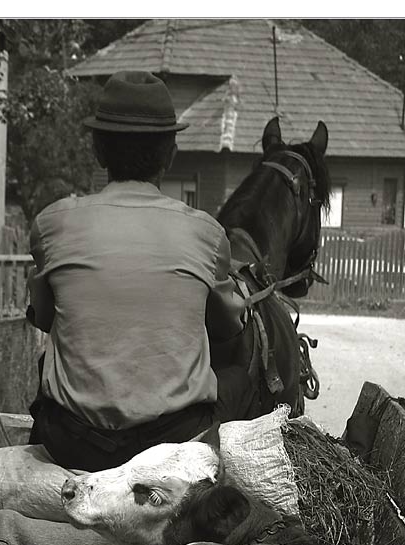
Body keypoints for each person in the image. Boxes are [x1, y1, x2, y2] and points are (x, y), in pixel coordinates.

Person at [26, 70, 258, 472]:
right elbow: (228, 328)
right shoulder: (206, 233)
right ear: (170, 154)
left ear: (98, 151)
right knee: (243, 372)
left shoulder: (53, 225)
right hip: (173, 443)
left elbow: (45, 319)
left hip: (72, 444)